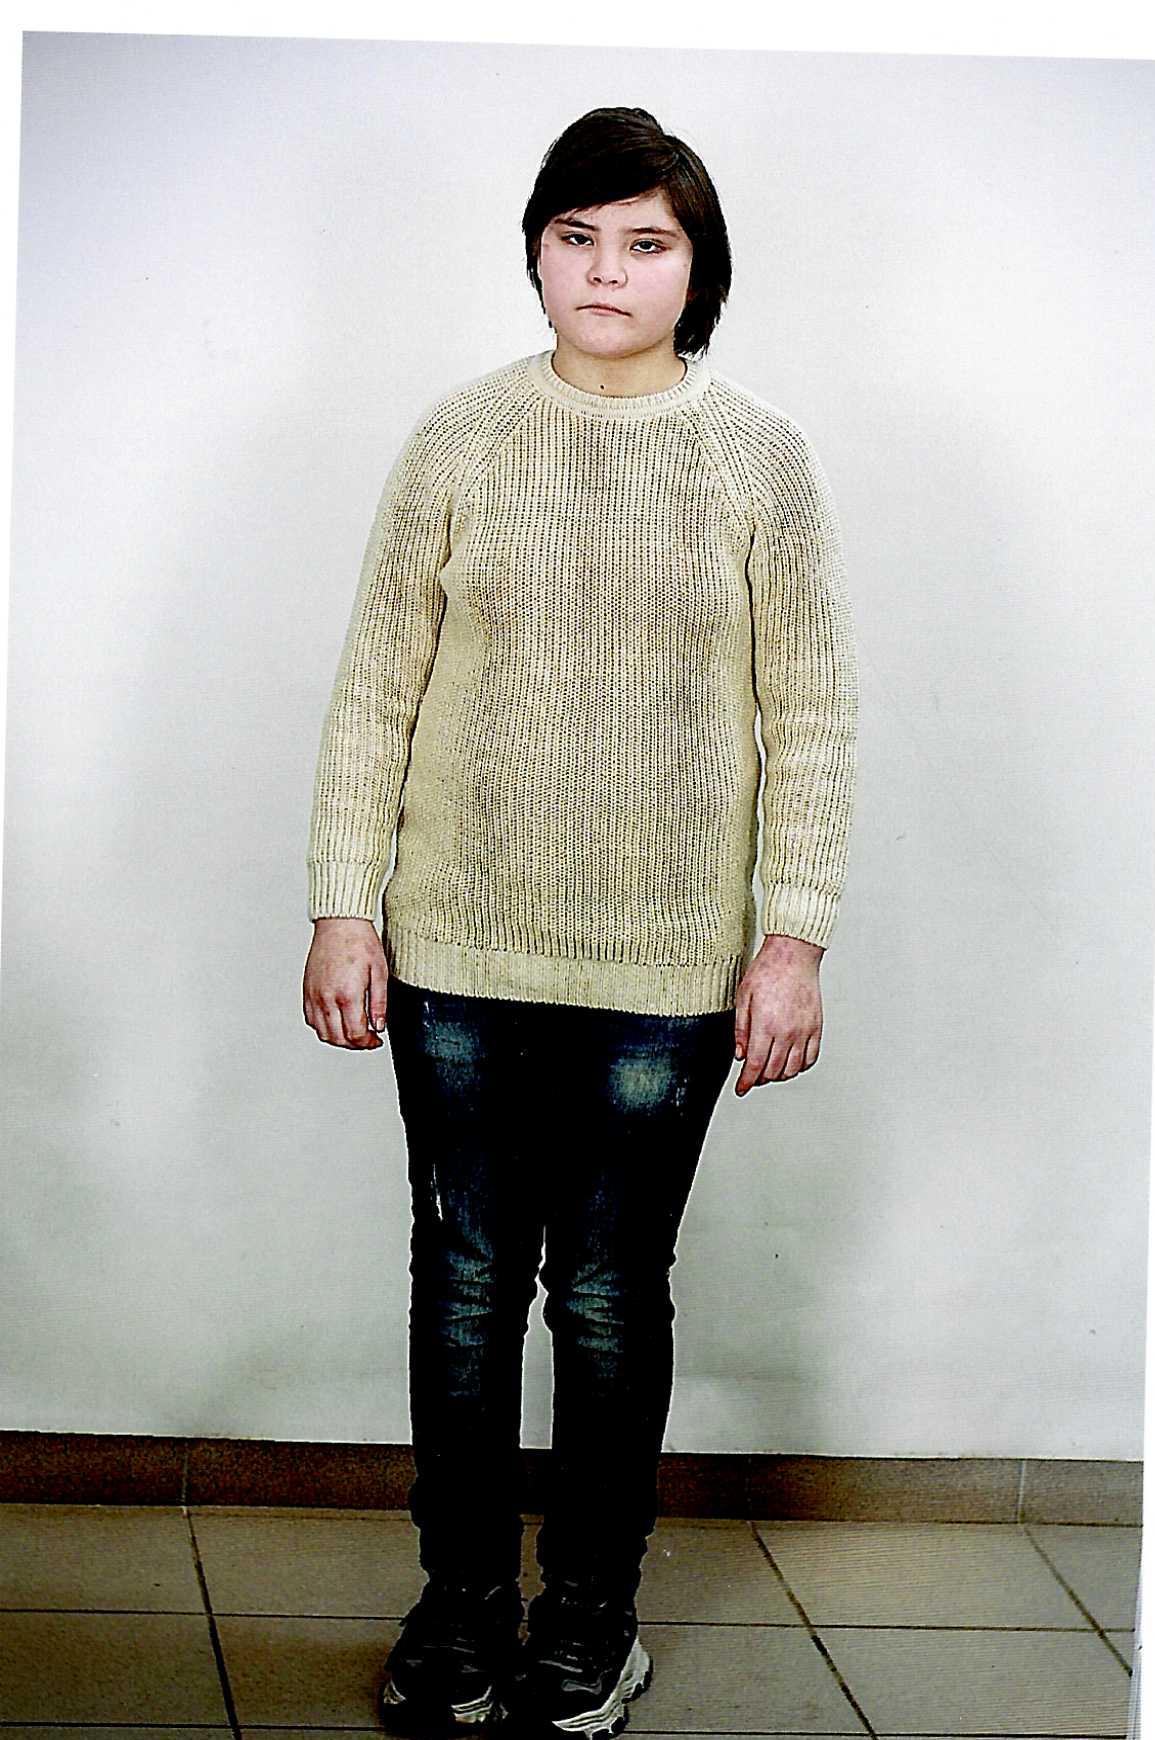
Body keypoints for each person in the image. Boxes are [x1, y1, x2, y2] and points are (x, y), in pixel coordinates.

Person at [303, 106, 858, 1739]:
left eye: (646, 242)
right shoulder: (460, 439)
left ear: (699, 269)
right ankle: (461, 1609)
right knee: (467, 1283)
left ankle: (590, 1619)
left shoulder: (758, 458)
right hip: (456, 953)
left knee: (609, 1292)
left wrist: (792, 938)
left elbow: (812, 712)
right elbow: (375, 691)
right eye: (577, 237)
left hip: (665, 969)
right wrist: (343, 905)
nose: (606, 271)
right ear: (538, 253)